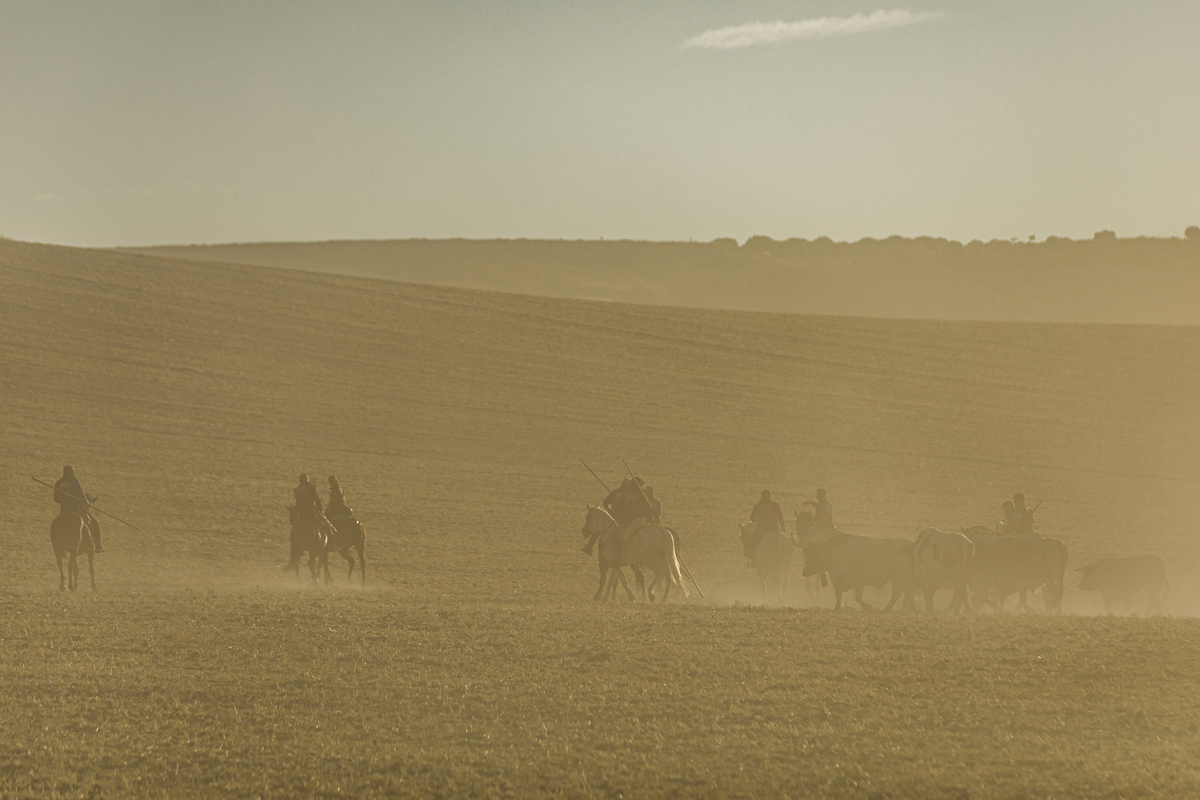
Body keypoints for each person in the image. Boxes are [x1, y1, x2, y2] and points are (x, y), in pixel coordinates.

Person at [54, 465, 104, 552]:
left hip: (64, 510)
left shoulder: (59, 483)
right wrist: (85, 502)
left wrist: (64, 498)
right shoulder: (74, 481)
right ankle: (98, 545)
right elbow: (81, 494)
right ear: (73, 473)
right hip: (76, 509)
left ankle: (58, 548)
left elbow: (56, 499)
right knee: (94, 523)